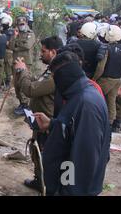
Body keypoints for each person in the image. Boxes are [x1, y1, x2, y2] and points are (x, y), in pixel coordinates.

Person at [34, 51, 111, 196]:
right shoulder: (78, 96)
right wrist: (52, 124)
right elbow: (71, 130)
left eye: (55, 76)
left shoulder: (86, 104)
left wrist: (67, 191)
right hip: (63, 177)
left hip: (71, 186)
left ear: (63, 75)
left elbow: (84, 159)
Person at [14, 36, 63, 193]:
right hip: (40, 120)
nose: (40, 54)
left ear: (53, 52)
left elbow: (31, 89)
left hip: (47, 122)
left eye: (43, 51)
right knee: (37, 154)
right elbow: (37, 83)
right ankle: (39, 180)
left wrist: (22, 71)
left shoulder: (57, 75)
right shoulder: (51, 70)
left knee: (45, 157)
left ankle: (47, 185)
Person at [96, 25, 121, 131]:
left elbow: (101, 68)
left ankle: (96, 120)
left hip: (106, 79)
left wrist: (94, 79)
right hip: (118, 79)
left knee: (96, 99)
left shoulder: (107, 49)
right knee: (111, 101)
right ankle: (111, 123)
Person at [10, 16, 36, 115]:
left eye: (22, 24)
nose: (21, 26)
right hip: (16, 62)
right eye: (19, 24)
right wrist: (16, 39)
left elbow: (27, 46)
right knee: (16, 84)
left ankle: (26, 104)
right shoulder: (16, 33)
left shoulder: (30, 33)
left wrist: (17, 45)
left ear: (26, 23)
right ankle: (22, 103)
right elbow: (11, 46)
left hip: (25, 62)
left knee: (24, 82)